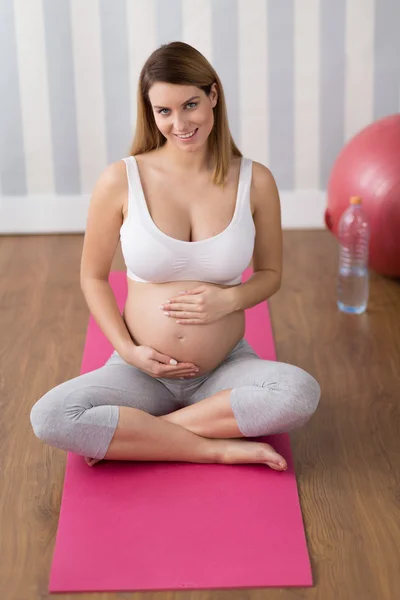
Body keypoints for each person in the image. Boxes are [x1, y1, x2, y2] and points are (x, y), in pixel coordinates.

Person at [30, 41, 321, 472]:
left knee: (299, 393)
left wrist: (229, 299)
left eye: (190, 105)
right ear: (150, 113)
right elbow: (92, 277)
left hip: (224, 369)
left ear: (213, 97)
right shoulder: (120, 180)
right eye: (163, 111)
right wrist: (129, 352)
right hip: (141, 372)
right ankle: (211, 446)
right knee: (51, 416)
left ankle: (146, 434)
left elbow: (271, 274)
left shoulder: (255, 181)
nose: (179, 123)